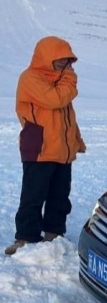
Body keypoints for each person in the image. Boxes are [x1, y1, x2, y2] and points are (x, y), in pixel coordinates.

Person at [5, 36, 86, 256]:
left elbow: (66, 116)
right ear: (46, 56)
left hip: (62, 149)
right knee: (33, 195)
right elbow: (55, 100)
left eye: (68, 61)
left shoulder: (61, 80)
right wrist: (69, 78)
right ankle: (25, 238)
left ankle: (54, 235)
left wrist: (76, 140)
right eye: (61, 60)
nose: (65, 65)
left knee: (60, 196)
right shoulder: (31, 78)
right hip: (39, 148)